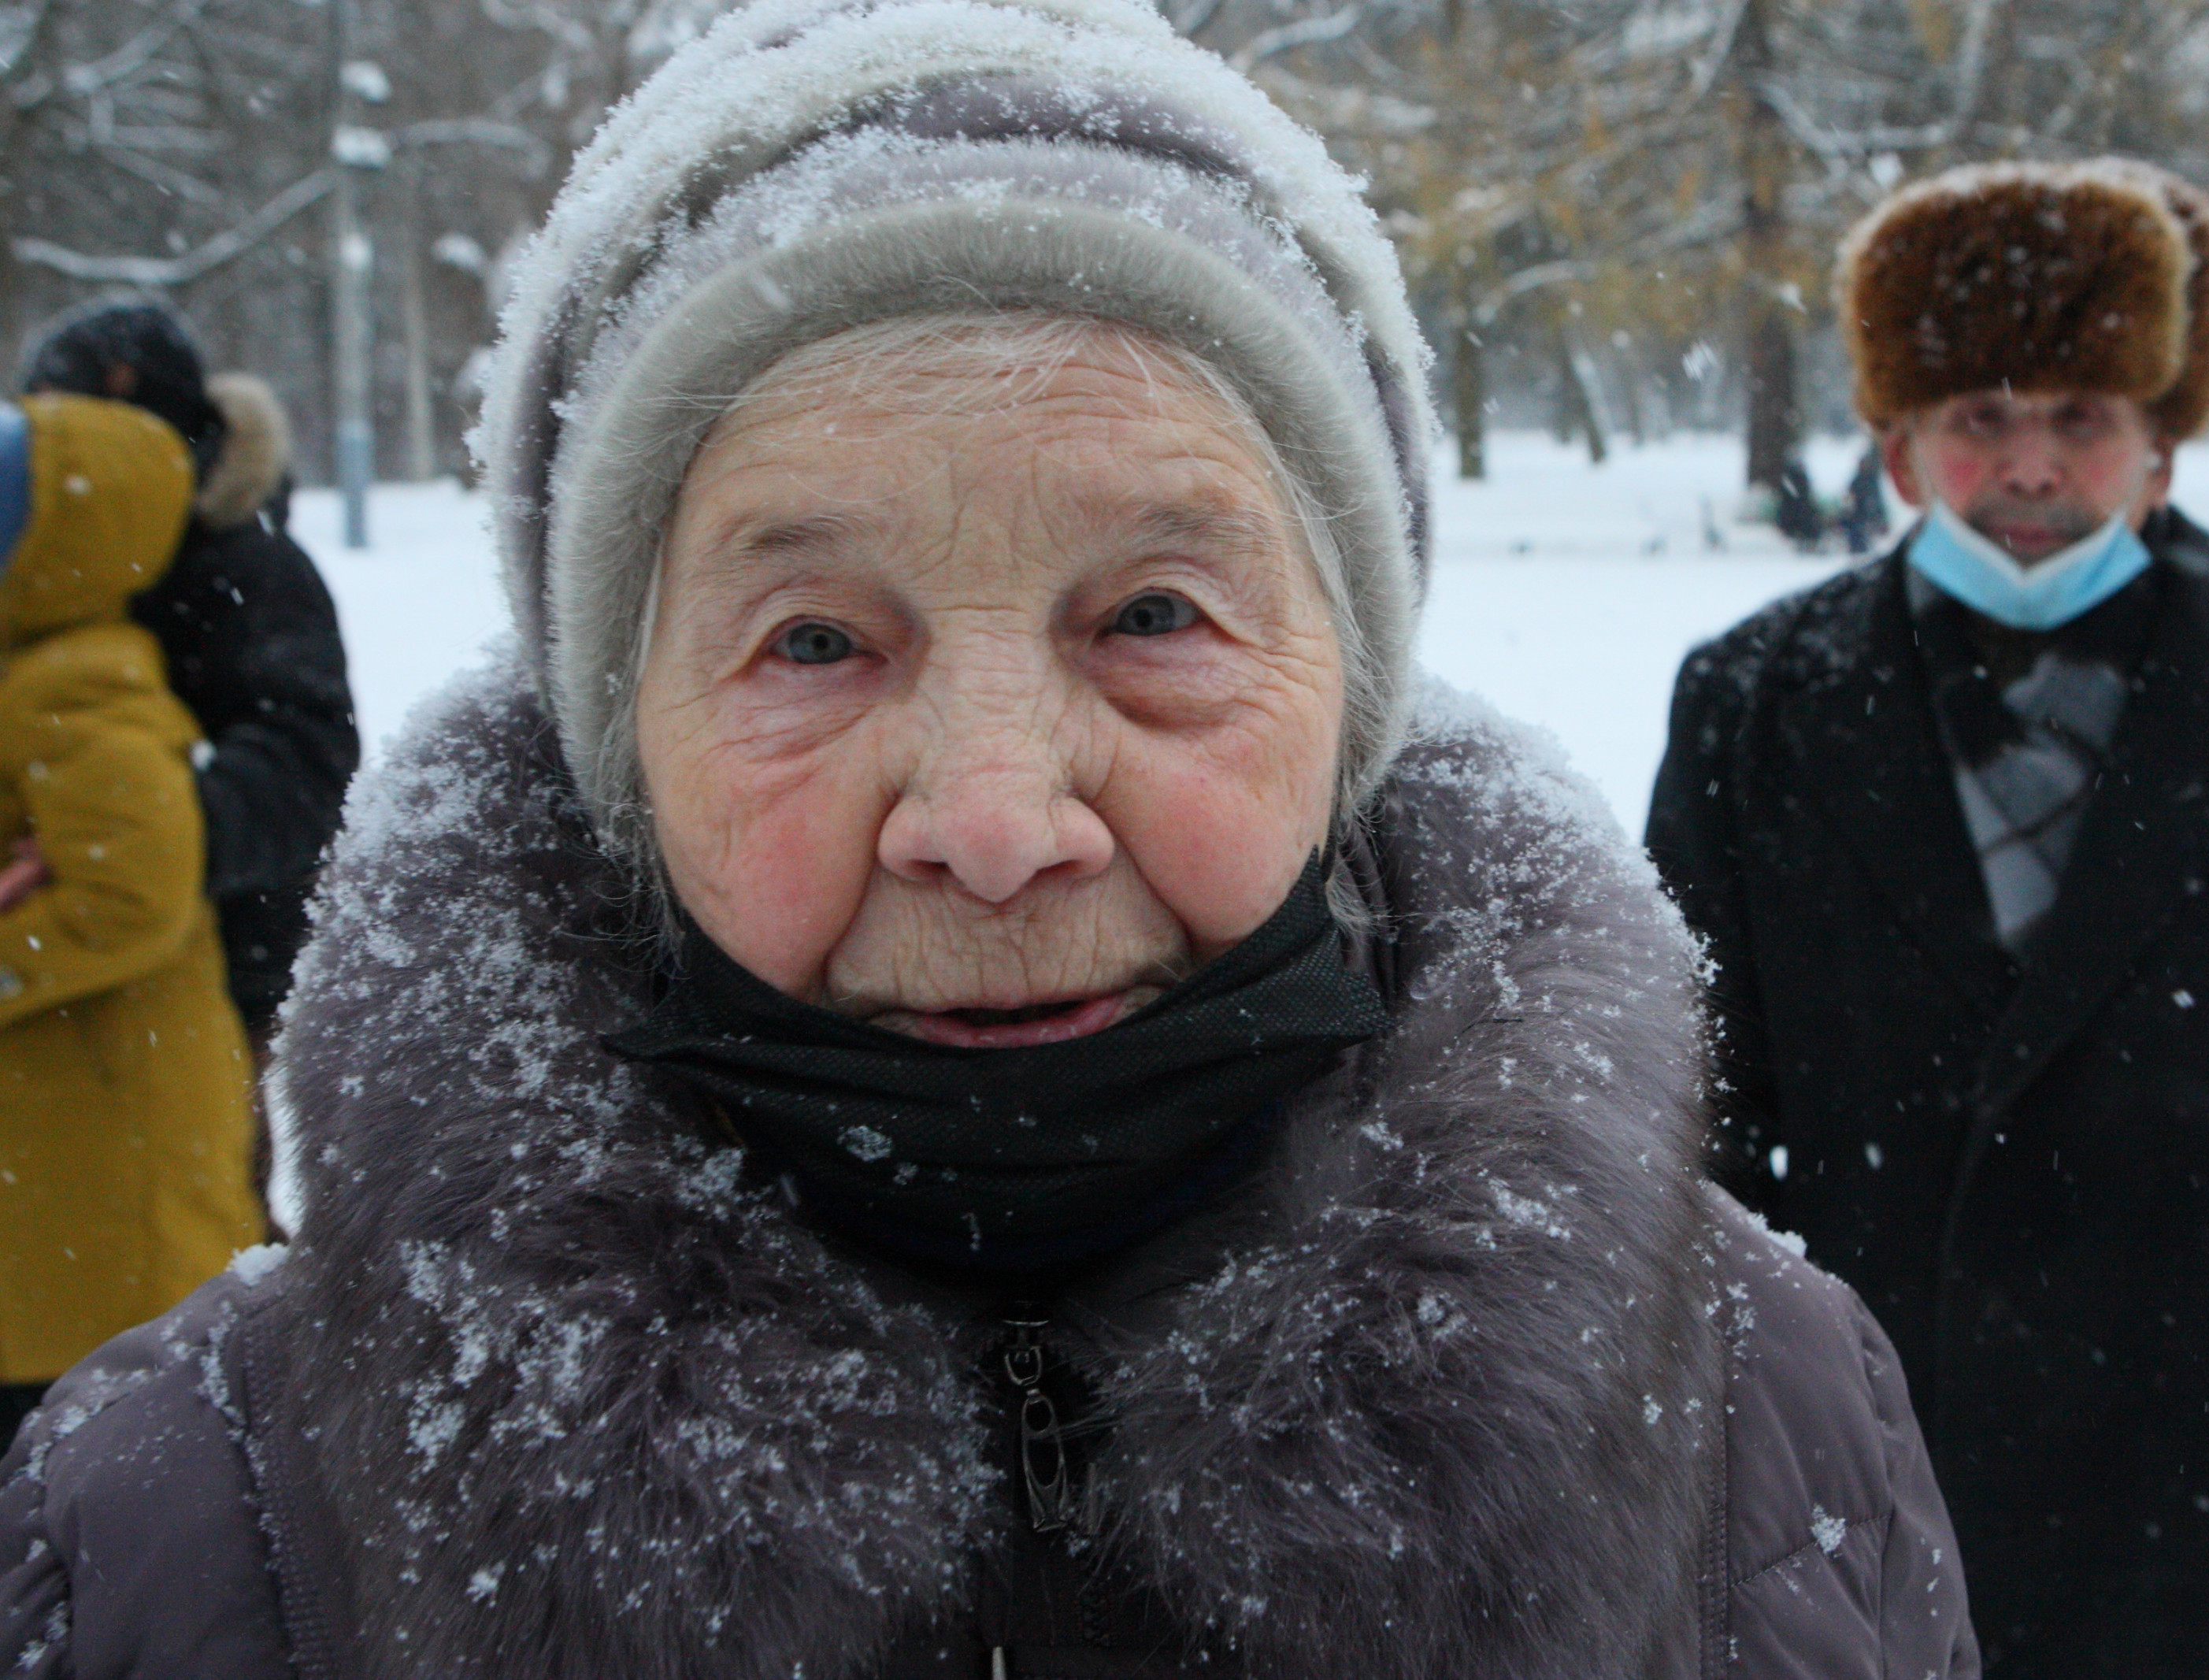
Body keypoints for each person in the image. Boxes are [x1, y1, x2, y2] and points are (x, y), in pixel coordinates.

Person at [0, 5, 1978, 1675]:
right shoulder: (193, 1511)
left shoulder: (1771, 1416)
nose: (995, 821)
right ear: (625, 745)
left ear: (1346, 695)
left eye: (1151, 617)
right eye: (814, 641)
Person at [1645, 158, 2209, 1679]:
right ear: (1901, 452)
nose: (2034, 464)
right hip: (1861, 1527)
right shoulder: (1754, 704)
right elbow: (1683, 1160)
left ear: (2163, 448)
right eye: (1980, 416)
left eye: (2084, 416)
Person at [0, 391, 265, 1440]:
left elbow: (135, 889)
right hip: (70, 1154)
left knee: (92, 1459)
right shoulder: (31, 670)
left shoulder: (77, 681)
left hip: (105, 1155)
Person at [20, 302, 358, 1042]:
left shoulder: (249, 567)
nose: (60, 458)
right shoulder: (38, 568)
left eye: (72, 426)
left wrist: (157, 834)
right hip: (48, 975)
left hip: (216, 982)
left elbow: (310, 761)